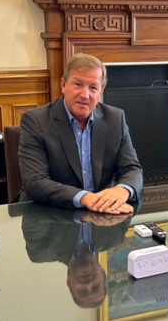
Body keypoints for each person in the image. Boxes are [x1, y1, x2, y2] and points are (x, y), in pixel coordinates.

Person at [19, 53, 143, 214]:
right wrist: (86, 198)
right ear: (63, 85)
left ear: (100, 92)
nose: (85, 95)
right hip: (50, 215)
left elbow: (131, 168)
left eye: (93, 88)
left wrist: (122, 190)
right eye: (78, 84)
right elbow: (35, 182)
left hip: (102, 214)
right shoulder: (35, 121)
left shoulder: (115, 118)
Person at [20, 203, 130, 308]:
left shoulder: (42, 251)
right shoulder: (115, 236)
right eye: (96, 286)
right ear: (102, 272)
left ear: (69, 282)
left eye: (82, 291)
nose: (88, 284)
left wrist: (81, 212)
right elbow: (131, 201)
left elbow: (32, 215)